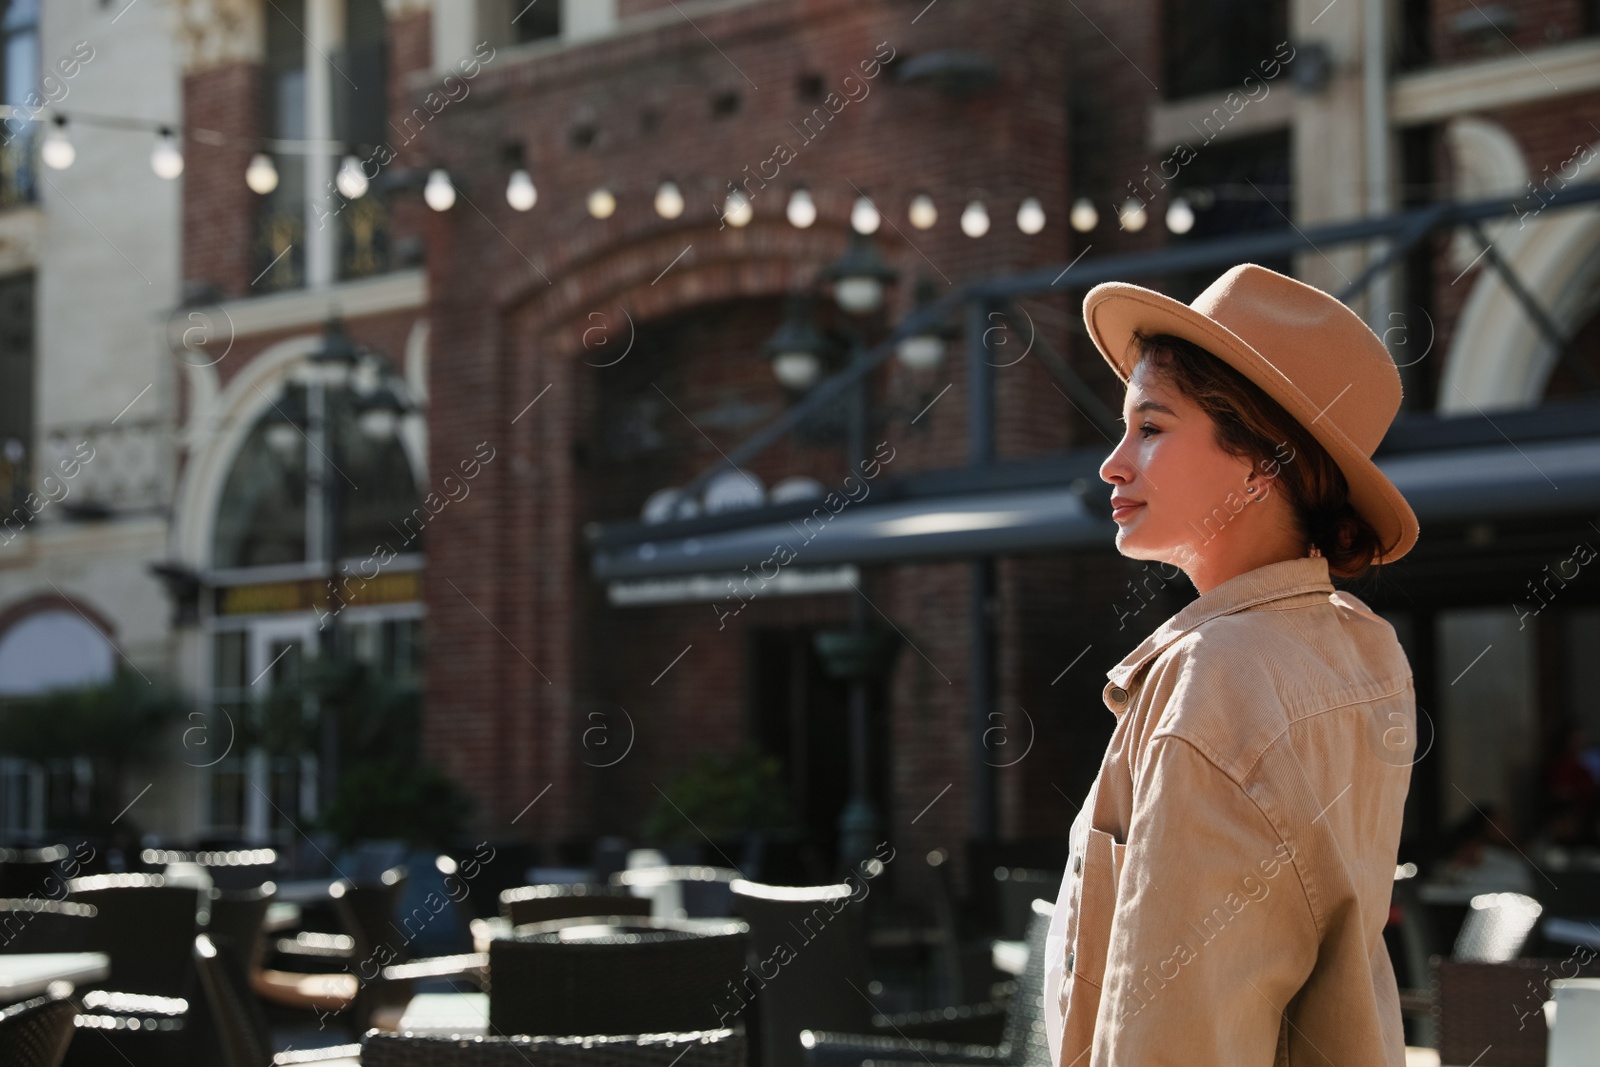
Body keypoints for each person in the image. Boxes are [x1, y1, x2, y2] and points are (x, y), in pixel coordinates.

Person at [1044, 263, 1421, 1067]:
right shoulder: (1364, 646)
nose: (1114, 463)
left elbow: (1170, 1037)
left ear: (1262, 463)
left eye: (1150, 427)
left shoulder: (1214, 677)